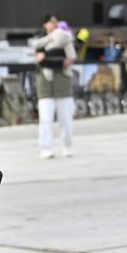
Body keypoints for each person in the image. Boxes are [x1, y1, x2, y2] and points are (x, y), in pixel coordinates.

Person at [32, 14, 77, 159]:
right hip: (45, 82)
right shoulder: (41, 41)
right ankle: (46, 148)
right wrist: (54, 59)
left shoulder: (65, 39)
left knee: (66, 118)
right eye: (51, 22)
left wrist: (50, 59)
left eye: (56, 21)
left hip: (62, 81)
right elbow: (39, 59)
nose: (54, 24)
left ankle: (67, 146)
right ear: (45, 24)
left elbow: (70, 59)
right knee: (45, 118)